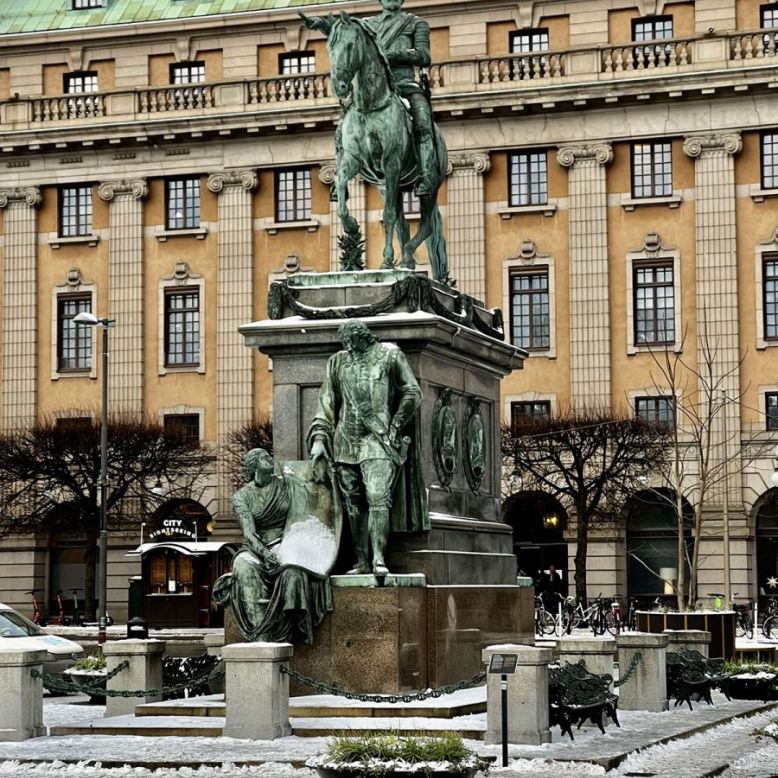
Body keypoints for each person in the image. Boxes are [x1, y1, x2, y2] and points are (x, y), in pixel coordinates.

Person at [308, 320, 428, 576]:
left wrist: (395, 425)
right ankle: (361, 560)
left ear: (362, 337)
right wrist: (320, 438)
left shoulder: (389, 355)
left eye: (351, 343)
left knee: (377, 498)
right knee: (353, 504)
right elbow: (327, 403)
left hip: (378, 440)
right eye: (345, 344)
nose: (348, 348)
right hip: (345, 443)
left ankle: (378, 559)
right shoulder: (337, 362)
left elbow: (412, 392)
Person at [301, 0, 436, 196]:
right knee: (341, 129)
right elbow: (344, 34)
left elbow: (424, 56)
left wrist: (391, 55)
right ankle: (341, 181)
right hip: (372, 89)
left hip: (405, 85)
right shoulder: (367, 24)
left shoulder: (416, 23)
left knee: (423, 120)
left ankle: (426, 176)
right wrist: (321, 24)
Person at [211, 448, 332, 644]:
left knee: (293, 572)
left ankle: (286, 629)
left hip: (289, 543)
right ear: (254, 465)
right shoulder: (242, 496)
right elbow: (249, 533)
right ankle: (261, 633)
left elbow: (305, 511)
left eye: (269, 456)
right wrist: (265, 553)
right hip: (257, 548)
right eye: (264, 457)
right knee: (243, 566)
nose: (270, 458)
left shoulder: (286, 484)